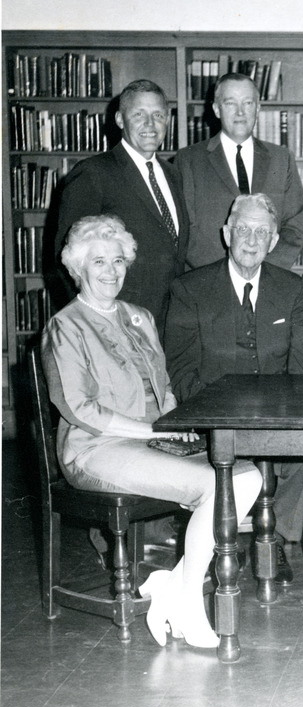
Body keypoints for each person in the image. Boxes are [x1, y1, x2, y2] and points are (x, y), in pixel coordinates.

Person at [42, 215, 262, 649]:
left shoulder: (139, 317)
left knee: (247, 476)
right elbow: (79, 407)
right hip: (96, 449)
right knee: (213, 487)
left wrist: (178, 429)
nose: (111, 271)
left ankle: (174, 586)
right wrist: (149, 432)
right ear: (78, 268)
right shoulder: (65, 326)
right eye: (99, 262)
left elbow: (162, 387)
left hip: (152, 440)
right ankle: (190, 604)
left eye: (119, 261)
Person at [164, 193, 303, 586]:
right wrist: (217, 415)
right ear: (226, 233)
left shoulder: (293, 290)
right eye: (243, 230)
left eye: (261, 232)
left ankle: (276, 537)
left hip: (275, 414)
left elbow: (300, 371)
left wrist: (277, 416)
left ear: (273, 241)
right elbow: (180, 369)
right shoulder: (190, 289)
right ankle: (218, 543)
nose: (251, 240)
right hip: (214, 416)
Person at [48, 80, 188, 328]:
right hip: (116, 323)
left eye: (157, 115)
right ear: (120, 120)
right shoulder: (94, 173)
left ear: (167, 119)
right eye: (138, 114)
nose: (150, 124)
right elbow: (66, 260)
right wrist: (93, 323)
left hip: (170, 322)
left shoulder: (173, 174)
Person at [175, 72, 303, 270]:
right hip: (208, 281)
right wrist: (227, 275)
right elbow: (184, 229)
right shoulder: (188, 160)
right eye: (230, 103)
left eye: (247, 103)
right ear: (216, 109)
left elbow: (295, 226)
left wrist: (262, 272)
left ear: (258, 108)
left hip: (267, 281)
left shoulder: (282, 158)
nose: (240, 112)